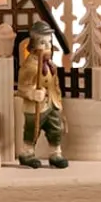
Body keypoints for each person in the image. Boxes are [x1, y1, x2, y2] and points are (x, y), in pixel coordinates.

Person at [17, 21, 68, 169]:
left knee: (56, 128)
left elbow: (55, 85)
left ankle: (55, 153)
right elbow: (21, 88)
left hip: (52, 104)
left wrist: (58, 102)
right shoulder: (29, 67)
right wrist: (32, 93)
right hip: (35, 107)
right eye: (42, 43)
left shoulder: (51, 65)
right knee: (32, 131)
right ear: (33, 45)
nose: (47, 46)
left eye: (49, 42)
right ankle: (27, 154)